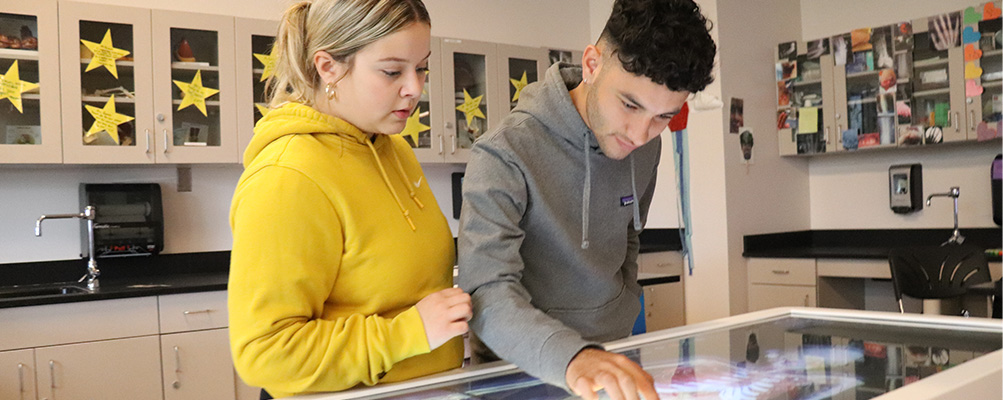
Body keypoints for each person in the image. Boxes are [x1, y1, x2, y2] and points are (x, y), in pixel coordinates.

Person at [457, 0, 716, 399]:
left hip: (613, 359)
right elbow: (487, 293)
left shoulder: (645, 147)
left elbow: (630, 234)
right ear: (592, 64)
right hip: (523, 373)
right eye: (630, 104)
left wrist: (624, 306)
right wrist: (575, 358)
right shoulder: (503, 153)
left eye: (664, 116)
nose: (641, 133)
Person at [228, 1, 471, 398]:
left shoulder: (393, 148)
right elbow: (266, 353)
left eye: (422, 67)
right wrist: (409, 332)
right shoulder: (287, 176)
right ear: (328, 67)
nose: (415, 87)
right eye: (392, 71)